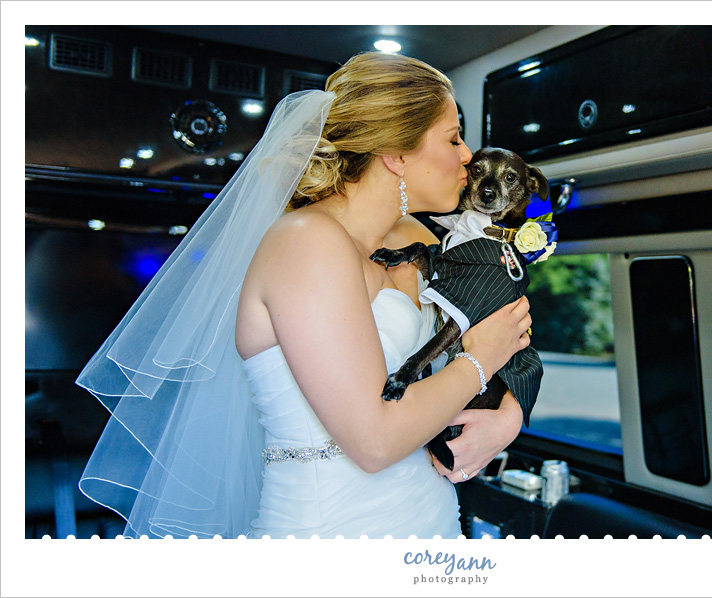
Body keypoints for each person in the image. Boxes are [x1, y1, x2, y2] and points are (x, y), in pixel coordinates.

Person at [76, 52, 533, 539]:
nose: (467, 155)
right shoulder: (305, 241)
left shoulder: (415, 238)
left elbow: (505, 323)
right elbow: (374, 442)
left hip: (433, 522)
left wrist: (509, 416)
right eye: (453, 138)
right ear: (397, 153)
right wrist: (477, 363)